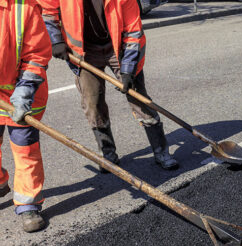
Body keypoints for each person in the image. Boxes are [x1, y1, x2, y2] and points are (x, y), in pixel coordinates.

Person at [39, 0, 179, 171]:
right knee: (93, 104)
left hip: (118, 47)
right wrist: (55, 40)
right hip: (85, 51)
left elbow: (133, 32)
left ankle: (161, 151)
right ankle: (108, 155)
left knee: (139, 99)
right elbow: (47, 11)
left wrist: (127, 71)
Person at [0, 0, 51, 232]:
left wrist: (22, 94)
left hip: (22, 93)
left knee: (25, 149)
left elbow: (37, 55)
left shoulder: (24, 7)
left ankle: (28, 204)